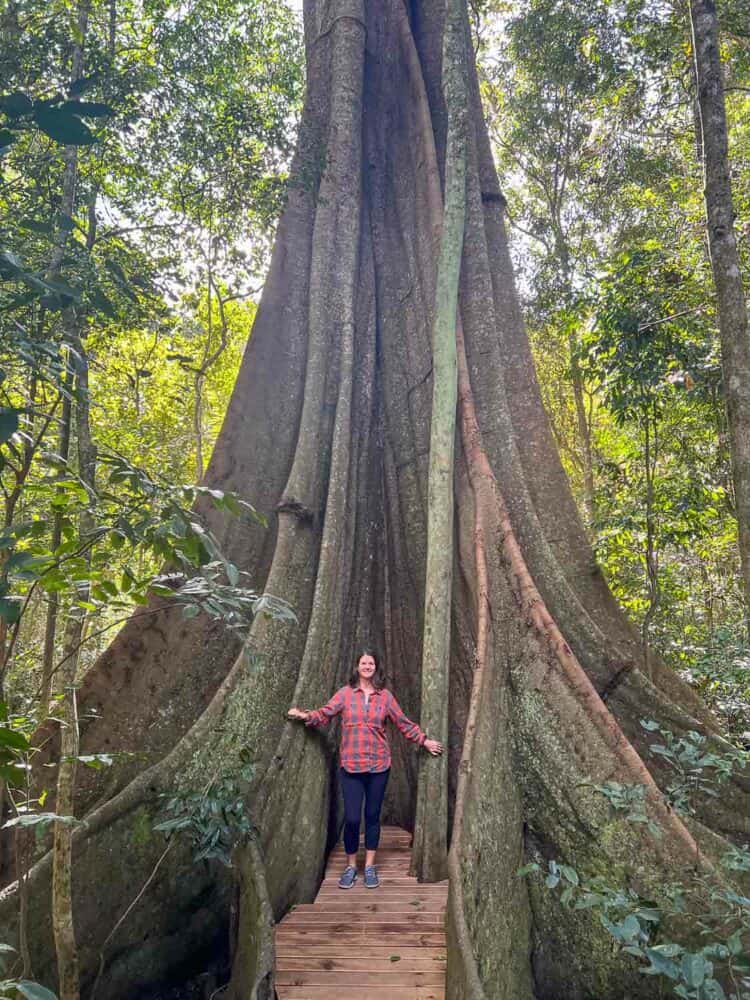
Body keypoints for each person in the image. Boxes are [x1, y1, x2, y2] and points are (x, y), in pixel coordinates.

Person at [287, 648, 443, 889]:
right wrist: (305, 716)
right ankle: (351, 866)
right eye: (363, 662)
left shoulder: (385, 697)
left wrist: (424, 740)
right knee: (351, 818)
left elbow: (403, 723)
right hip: (351, 766)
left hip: (379, 766)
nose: (367, 666)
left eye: (371, 663)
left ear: (376, 667)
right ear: (357, 666)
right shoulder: (345, 694)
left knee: (371, 816)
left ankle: (369, 867)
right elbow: (326, 713)